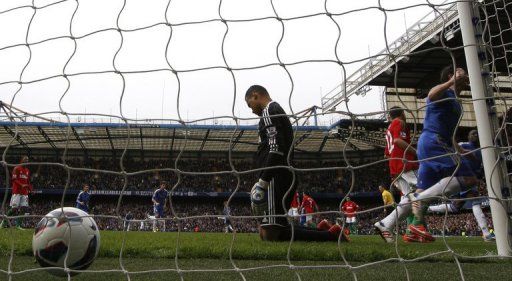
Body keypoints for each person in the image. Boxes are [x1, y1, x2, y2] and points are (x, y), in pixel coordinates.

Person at [246, 85, 348, 242]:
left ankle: (331, 236)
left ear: (255, 96)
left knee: (270, 235)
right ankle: (323, 230)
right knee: (268, 230)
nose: (251, 110)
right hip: (280, 174)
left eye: (249, 104)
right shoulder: (275, 111)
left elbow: (275, 149)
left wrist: (263, 181)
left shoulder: (269, 110)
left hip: (275, 176)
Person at [408, 66, 478, 241]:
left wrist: (462, 151)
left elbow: (451, 134)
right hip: (434, 141)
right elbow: (430, 95)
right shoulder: (446, 92)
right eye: (461, 70)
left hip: (433, 142)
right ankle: (420, 199)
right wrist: (452, 81)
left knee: (422, 188)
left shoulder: (457, 101)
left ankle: (411, 227)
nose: (465, 74)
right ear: (450, 74)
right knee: (469, 179)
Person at [427, 130, 495, 241]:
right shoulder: (463, 145)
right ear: (468, 136)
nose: (475, 135)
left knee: (455, 207)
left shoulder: (483, 150)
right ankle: (486, 233)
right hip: (463, 176)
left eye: (477, 133)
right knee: (475, 200)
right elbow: (452, 148)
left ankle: (429, 208)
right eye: (473, 133)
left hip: (471, 178)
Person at [374, 106, 424, 243]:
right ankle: (418, 227)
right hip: (405, 163)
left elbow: (386, 153)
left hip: (395, 166)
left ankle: (385, 224)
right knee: (423, 191)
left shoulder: (389, 128)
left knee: (409, 198)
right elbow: (397, 141)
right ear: (402, 113)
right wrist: (416, 152)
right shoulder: (399, 122)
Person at [1, 155, 33, 229]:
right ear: (21, 160)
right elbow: (14, 179)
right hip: (17, 192)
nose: (27, 161)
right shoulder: (17, 168)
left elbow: (28, 182)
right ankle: (3, 223)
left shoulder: (27, 171)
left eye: (28, 160)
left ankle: (18, 225)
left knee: (24, 208)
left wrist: (31, 190)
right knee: (14, 209)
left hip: (25, 193)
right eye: (25, 159)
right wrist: (21, 185)